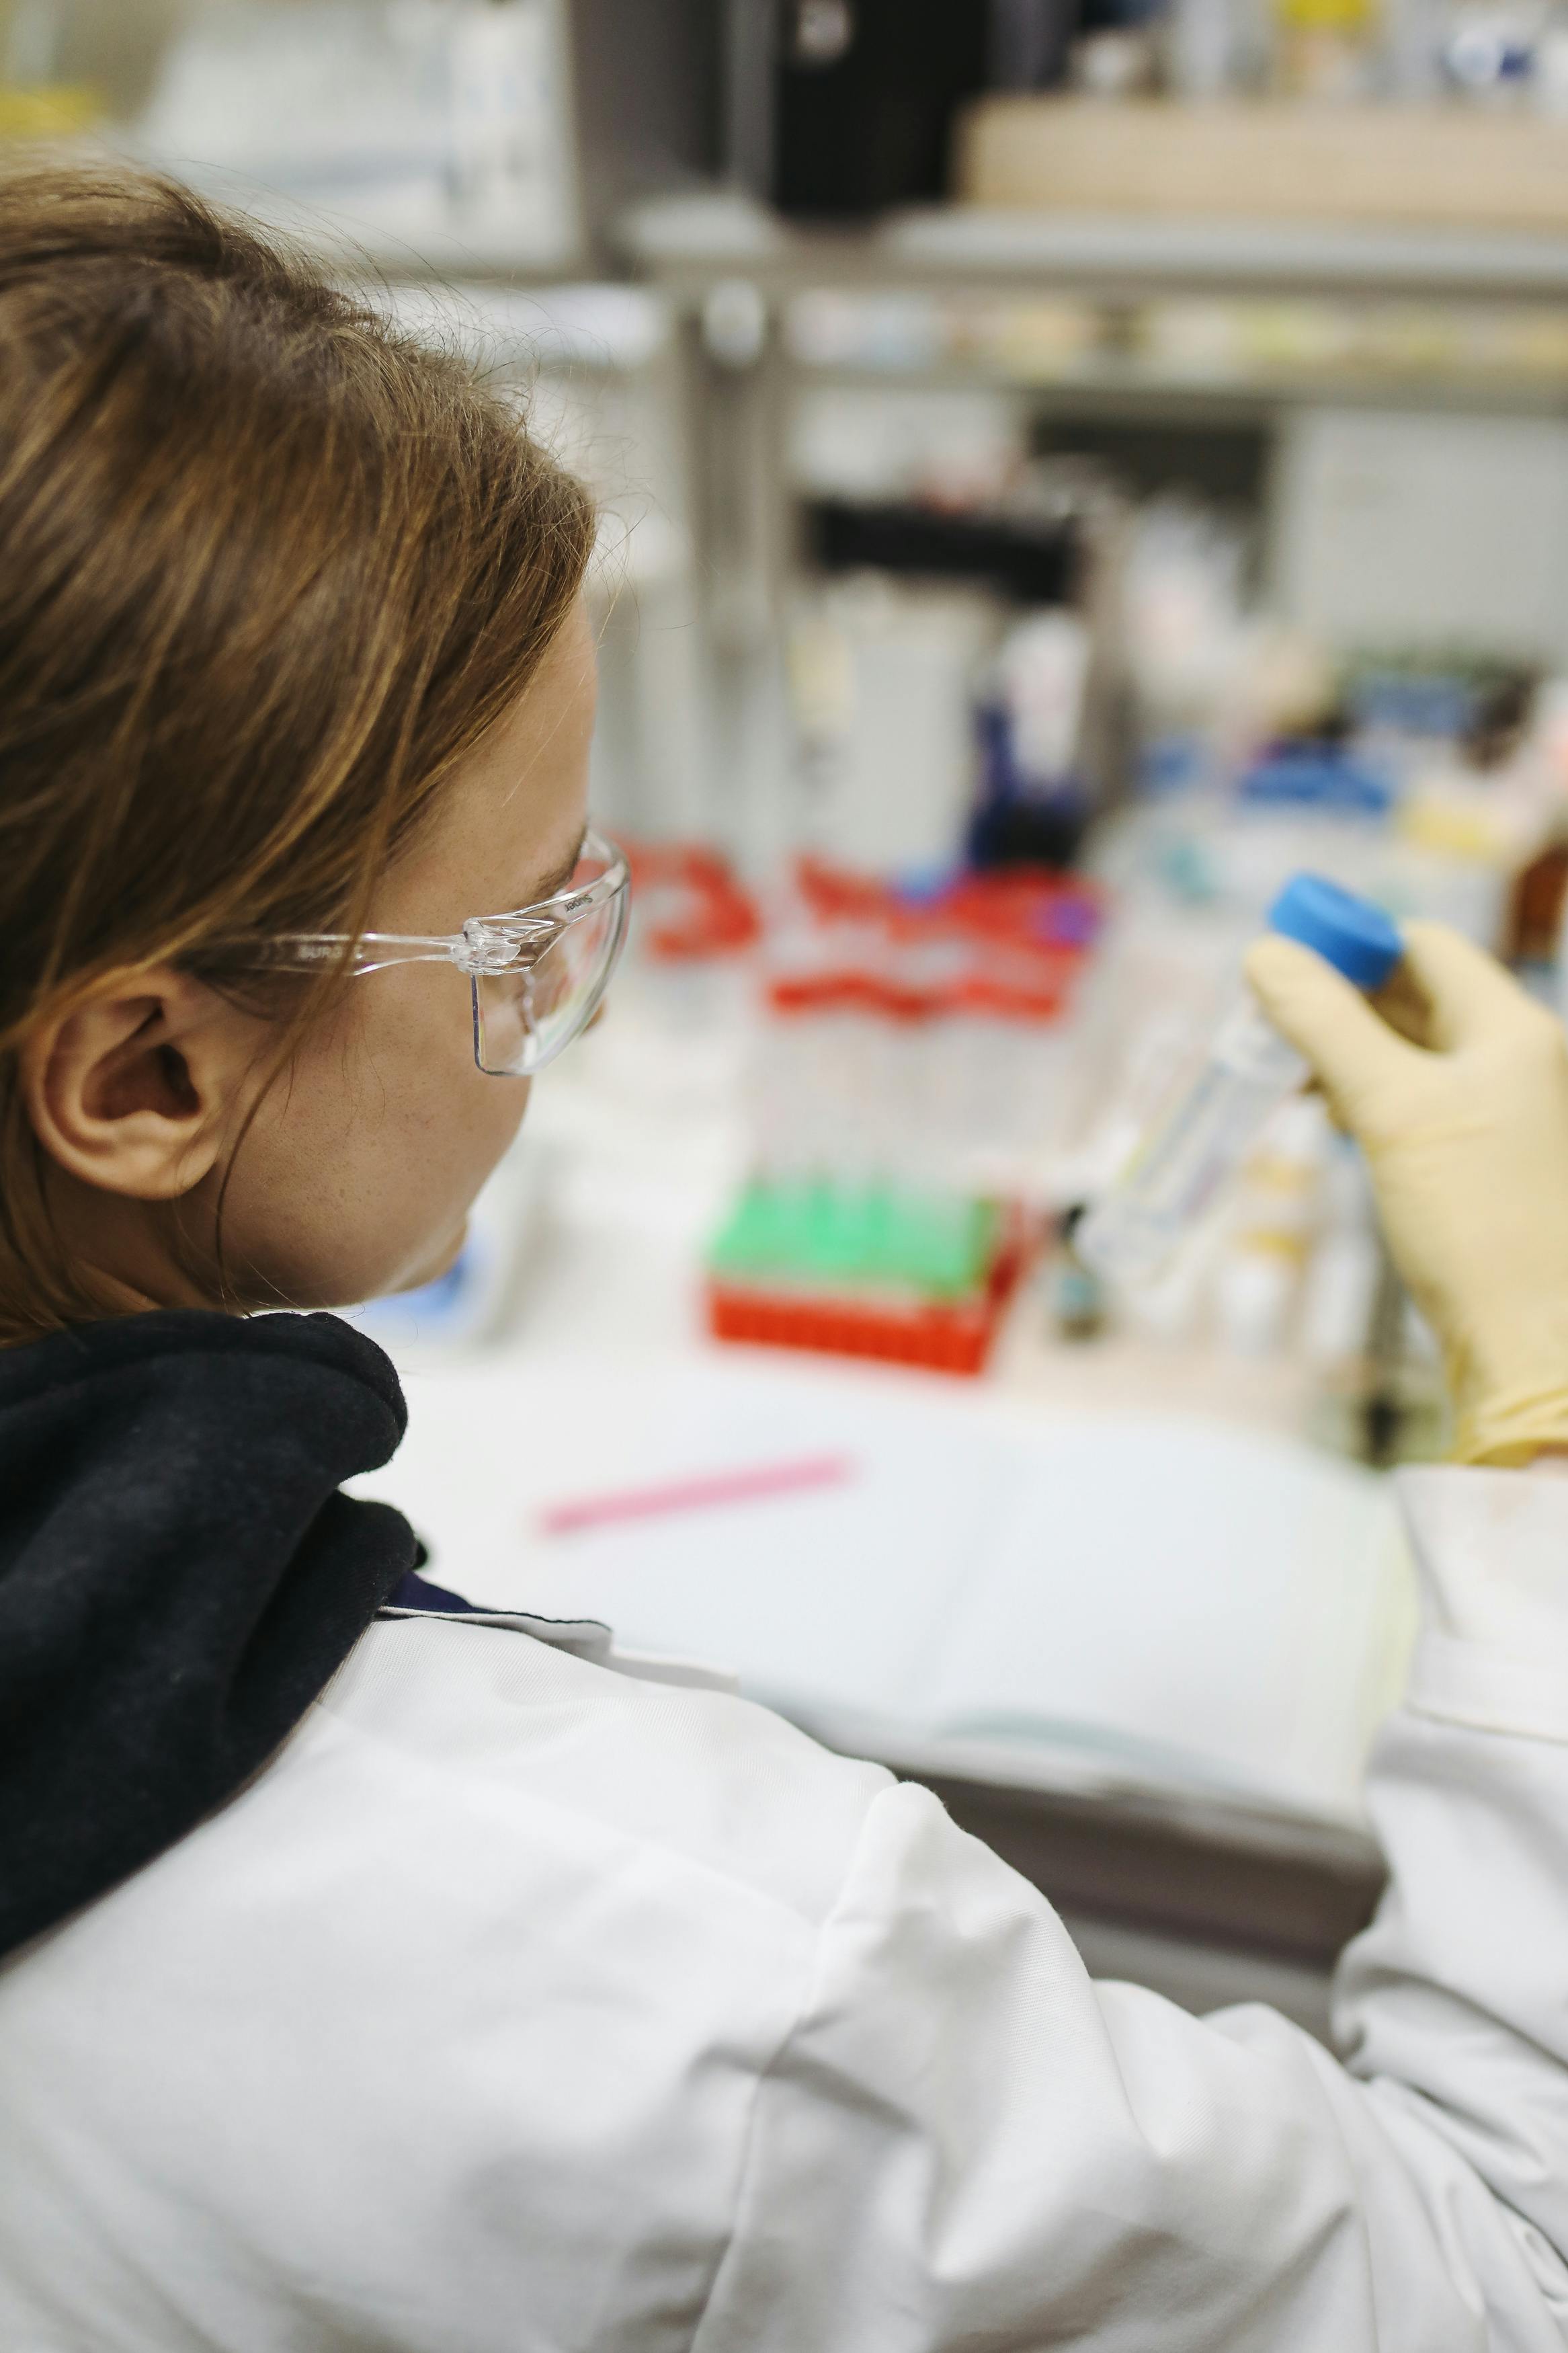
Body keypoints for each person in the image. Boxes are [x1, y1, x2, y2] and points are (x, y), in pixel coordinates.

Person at [3, 165, 1568, 2353]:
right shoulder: (657, 1952)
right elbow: (1505, 2278)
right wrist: (1547, 1430)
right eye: (527, 933)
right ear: (147, 1074)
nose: (575, 997)